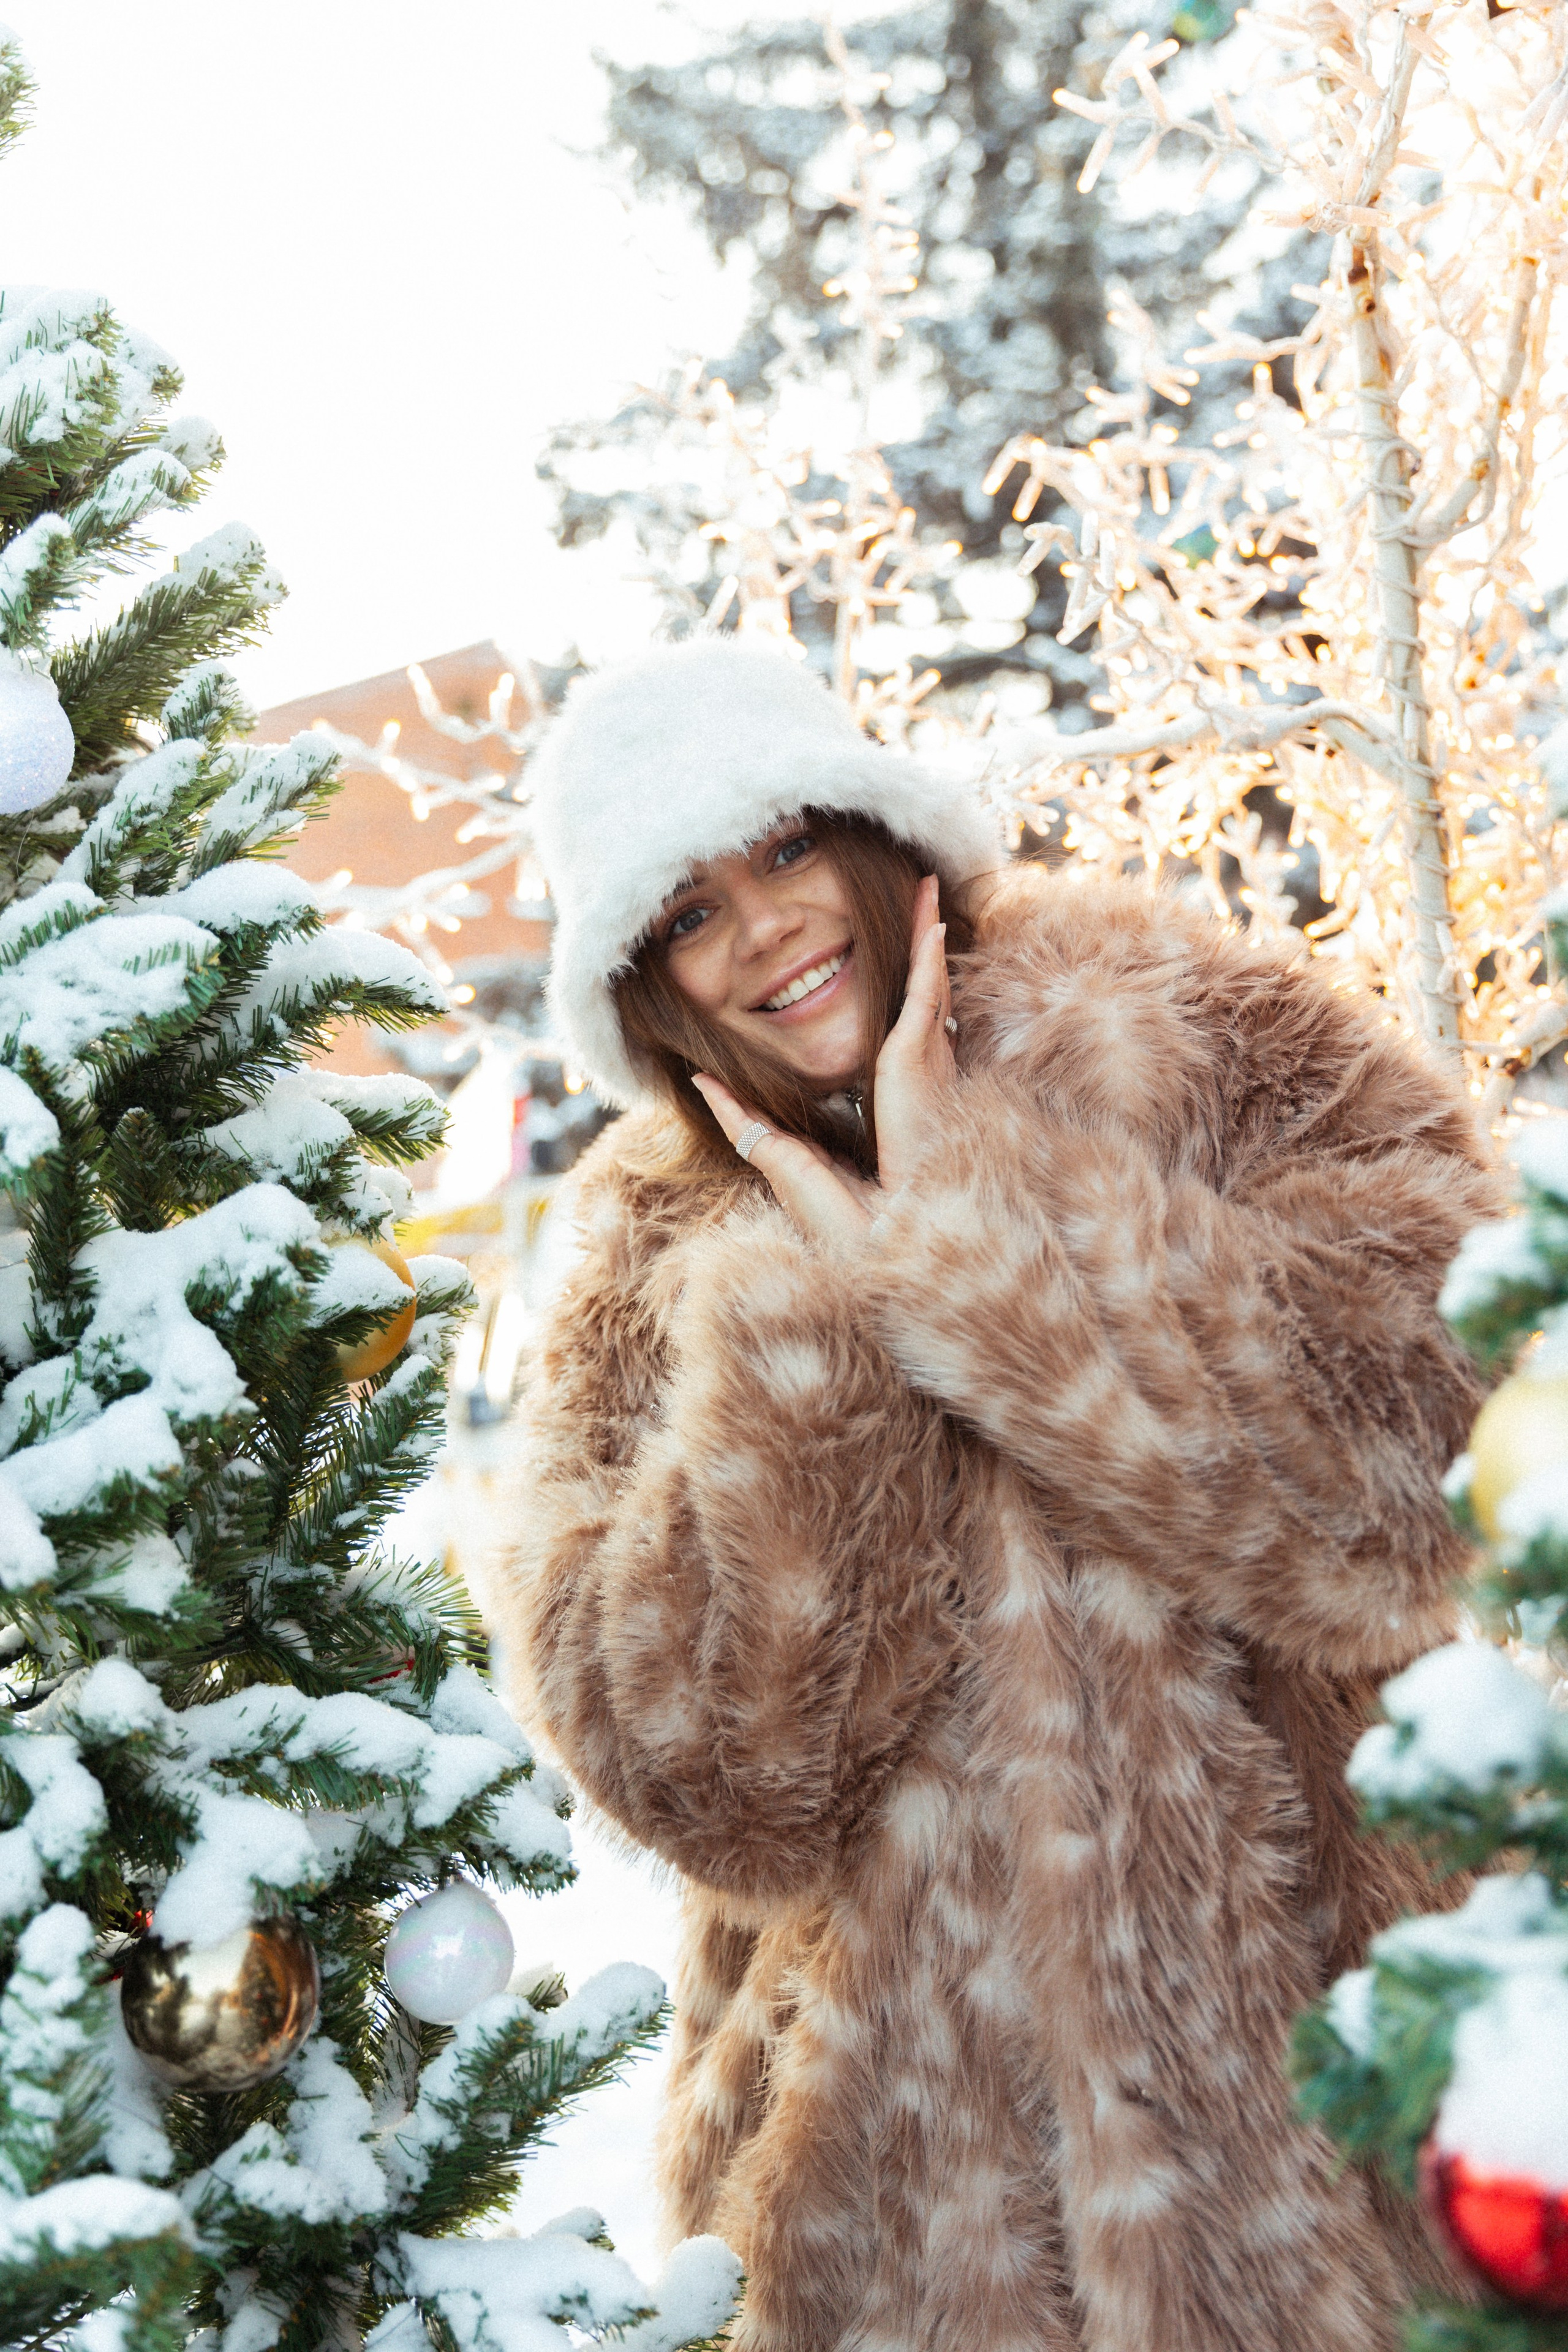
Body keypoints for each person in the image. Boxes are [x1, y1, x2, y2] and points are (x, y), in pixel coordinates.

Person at [484, 635, 1495, 2352]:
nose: (766, 932)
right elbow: (711, 1786)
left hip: (1343, 2106)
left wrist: (977, 1237)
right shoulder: (641, 1259)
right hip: (905, 2213)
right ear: (648, 986)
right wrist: (822, 1331)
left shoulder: (1186, 1018)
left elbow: (1434, 1464)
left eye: (786, 849)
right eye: (686, 916)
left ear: (874, 830)